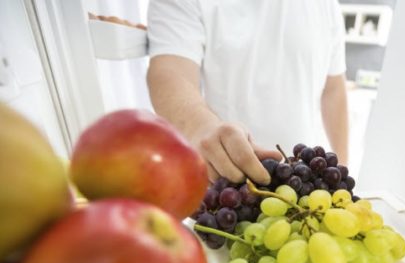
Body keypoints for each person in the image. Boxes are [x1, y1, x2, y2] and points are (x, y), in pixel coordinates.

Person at [146, 0, 349, 185]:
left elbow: (333, 89)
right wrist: (200, 127)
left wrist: (340, 173)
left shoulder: (326, 5)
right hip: (227, 187)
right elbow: (170, 72)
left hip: (305, 189)